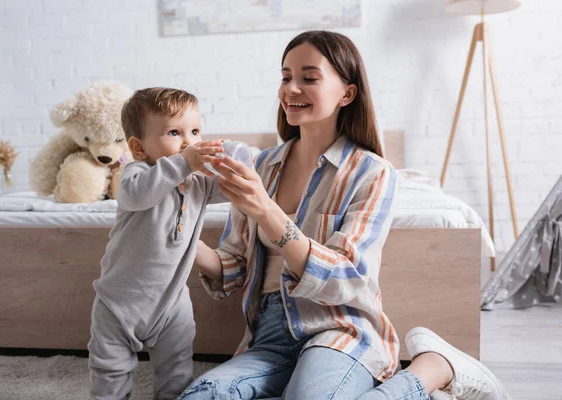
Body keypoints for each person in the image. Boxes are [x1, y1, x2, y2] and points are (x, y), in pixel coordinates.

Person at [178, 31, 510, 400]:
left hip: (339, 329)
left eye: (309, 77)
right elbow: (235, 266)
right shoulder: (262, 166)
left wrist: (267, 210)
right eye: (286, 77)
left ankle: (430, 369)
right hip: (268, 335)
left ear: (347, 93)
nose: (291, 88)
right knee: (201, 394)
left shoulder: (373, 173)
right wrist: (178, 231)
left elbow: (349, 276)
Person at [88, 87, 227, 400]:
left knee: (177, 373)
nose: (190, 141)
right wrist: (183, 162)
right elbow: (140, 195)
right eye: (175, 132)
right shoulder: (136, 173)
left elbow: (232, 190)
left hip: (171, 301)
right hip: (120, 303)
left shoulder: (198, 181)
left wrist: (232, 166)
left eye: (195, 131)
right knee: (110, 375)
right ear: (139, 147)